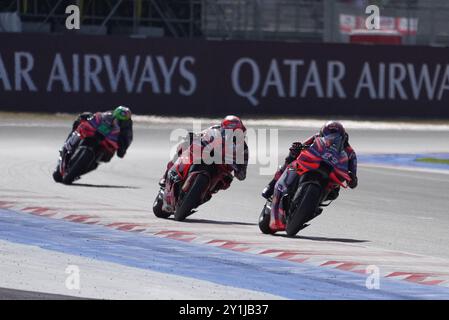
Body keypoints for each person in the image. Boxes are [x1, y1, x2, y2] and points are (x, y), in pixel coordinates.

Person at [262, 121, 358, 231]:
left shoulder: (349, 152)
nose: (331, 138)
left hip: (331, 173)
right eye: (328, 135)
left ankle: (311, 208)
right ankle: (272, 186)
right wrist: (296, 149)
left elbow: (354, 177)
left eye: (336, 135)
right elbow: (301, 146)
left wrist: (352, 178)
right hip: (310, 164)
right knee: (291, 164)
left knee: (334, 193)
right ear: (322, 134)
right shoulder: (316, 137)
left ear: (343, 137)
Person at [159, 115, 249, 188]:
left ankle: (204, 194)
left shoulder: (243, 149)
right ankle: (166, 175)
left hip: (222, 168)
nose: (230, 136)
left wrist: (236, 167)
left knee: (226, 181)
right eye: (227, 132)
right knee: (185, 144)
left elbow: (242, 176)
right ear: (222, 129)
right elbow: (201, 135)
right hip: (207, 153)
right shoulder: (215, 128)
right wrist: (193, 137)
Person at [68, 106, 133, 161]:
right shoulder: (107, 115)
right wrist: (87, 118)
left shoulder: (127, 131)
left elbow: (124, 147)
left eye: (121, 121)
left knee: (107, 156)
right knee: (80, 123)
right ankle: (69, 144)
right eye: (117, 119)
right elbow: (96, 117)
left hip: (107, 145)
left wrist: (122, 149)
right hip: (95, 134)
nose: (118, 122)